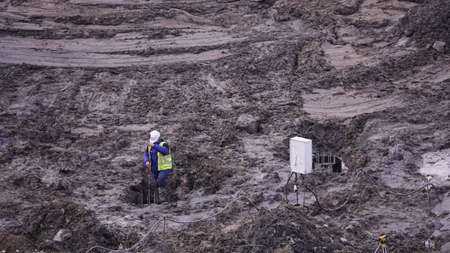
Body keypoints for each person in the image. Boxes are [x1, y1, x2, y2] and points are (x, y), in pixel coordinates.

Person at [144, 130, 173, 203]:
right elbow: (146, 154)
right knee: (156, 183)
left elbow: (165, 151)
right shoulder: (150, 145)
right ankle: (158, 199)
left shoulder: (164, 144)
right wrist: (146, 161)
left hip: (165, 168)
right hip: (154, 168)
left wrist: (154, 146)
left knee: (160, 180)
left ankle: (165, 197)